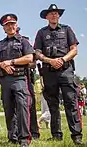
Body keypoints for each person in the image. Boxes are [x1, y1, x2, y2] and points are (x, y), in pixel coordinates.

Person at [34, 4, 82, 144]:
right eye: (51, 13)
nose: (54, 15)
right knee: (52, 104)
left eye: (56, 13)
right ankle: (56, 135)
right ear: (47, 17)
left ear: (59, 16)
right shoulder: (41, 33)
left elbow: (74, 50)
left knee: (71, 103)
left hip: (66, 70)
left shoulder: (67, 30)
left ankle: (76, 135)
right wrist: (49, 60)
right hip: (49, 71)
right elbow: (37, 52)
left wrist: (62, 59)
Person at [0, 14, 34, 147]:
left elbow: (29, 58)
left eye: (12, 24)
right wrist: (3, 65)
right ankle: (12, 136)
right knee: (8, 109)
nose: (10, 26)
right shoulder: (1, 44)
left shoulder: (23, 41)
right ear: (4, 28)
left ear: (16, 25)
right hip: (5, 80)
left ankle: (24, 138)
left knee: (22, 108)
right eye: (7, 25)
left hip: (20, 79)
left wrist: (12, 62)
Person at [17, 27, 40, 139]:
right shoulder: (6, 44)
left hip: (27, 78)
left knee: (30, 105)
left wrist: (20, 63)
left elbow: (33, 63)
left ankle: (34, 132)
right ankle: (17, 132)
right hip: (14, 79)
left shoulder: (25, 41)